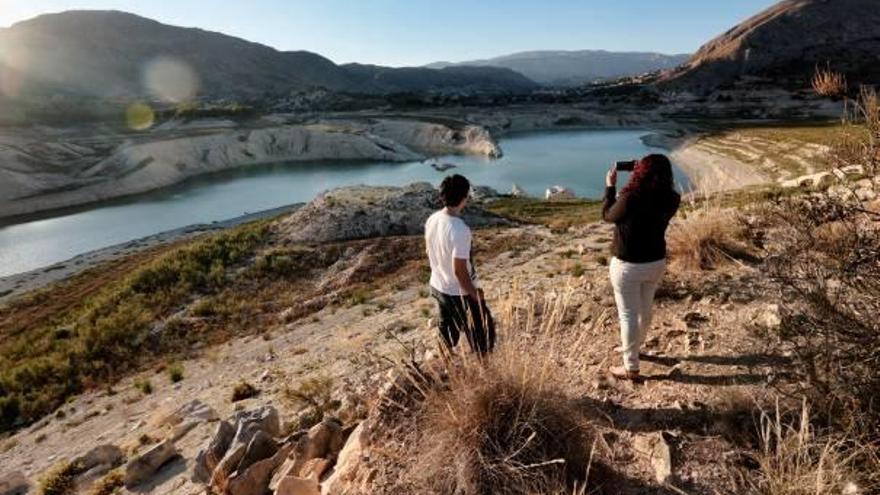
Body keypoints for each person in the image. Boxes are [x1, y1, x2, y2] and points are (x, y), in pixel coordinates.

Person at [603, 154, 680, 380]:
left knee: (628, 315)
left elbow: (608, 215)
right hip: (655, 262)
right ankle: (635, 348)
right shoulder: (672, 198)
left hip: (628, 266)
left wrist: (610, 187)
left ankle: (631, 367)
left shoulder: (630, 198)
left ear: (641, 172)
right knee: (645, 310)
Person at [425, 174, 495, 355]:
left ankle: (445, 364)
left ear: (443, 196)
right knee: (482, 331)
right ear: (465, 197)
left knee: (448, 329)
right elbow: (459, 270)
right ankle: (486, 371)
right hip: (458, 292)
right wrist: (474, 293)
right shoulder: (460, 229)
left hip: (437, 285)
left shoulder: (432, 219)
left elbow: (429, 251)